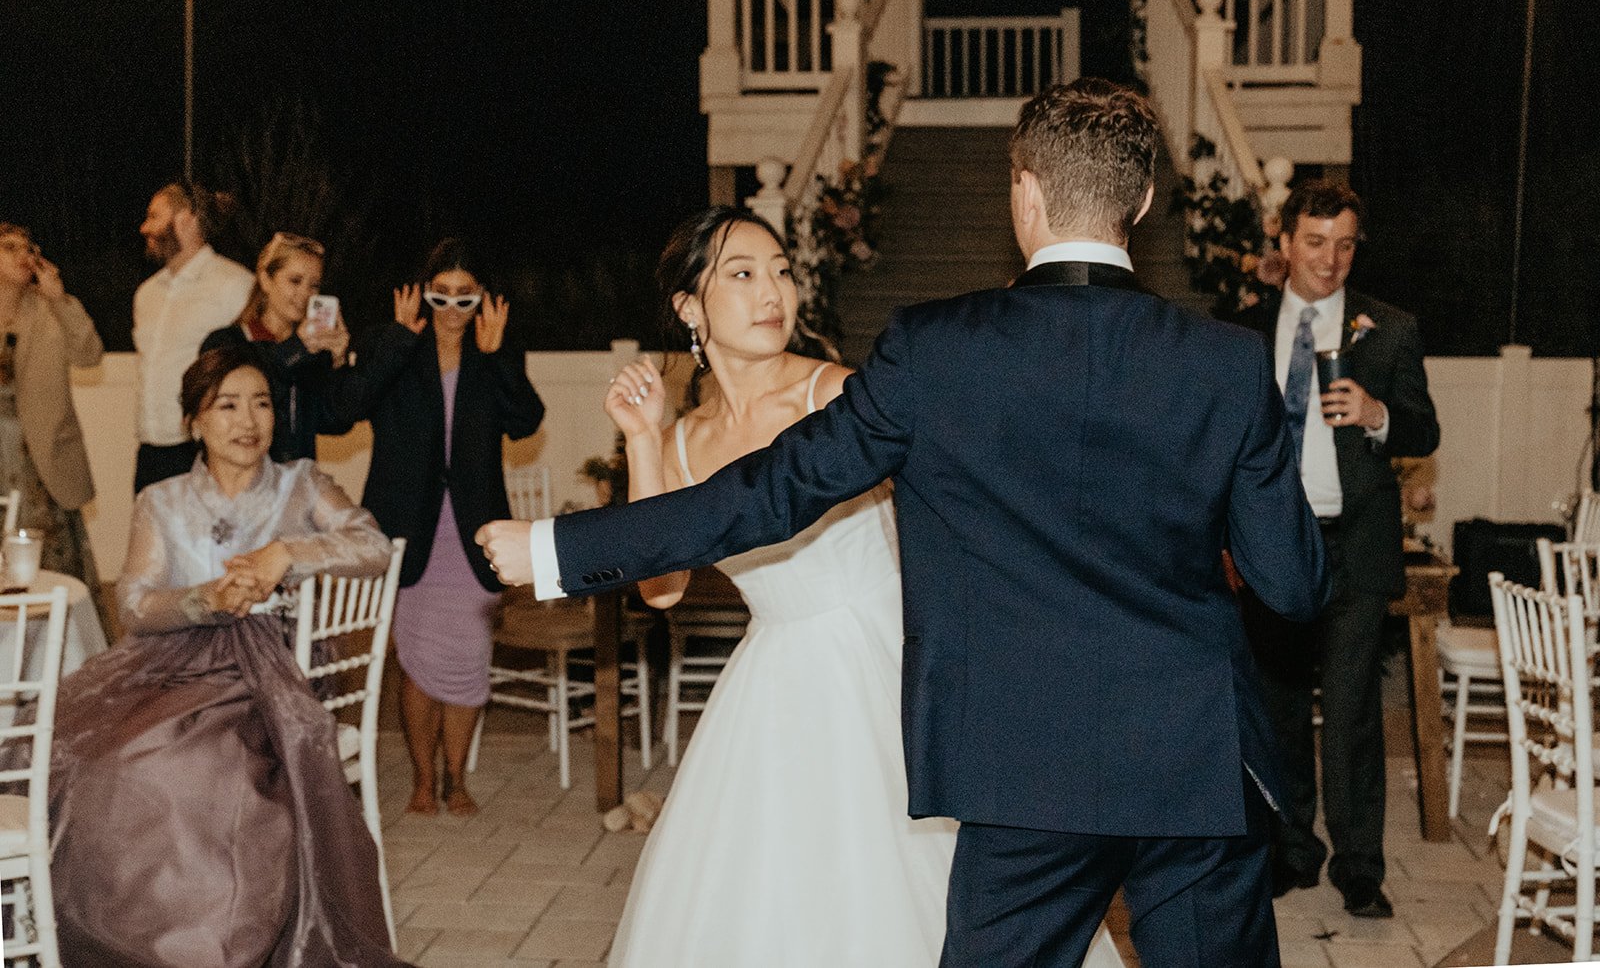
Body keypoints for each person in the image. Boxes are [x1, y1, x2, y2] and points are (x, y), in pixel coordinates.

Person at [481, 78, 1327, 967]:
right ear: (1145, 200)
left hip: (1020, 768)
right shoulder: (1228, 363)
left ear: (1024, 192)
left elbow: (766, 492)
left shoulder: (934, 350)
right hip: (1191, 759)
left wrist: (558, 548)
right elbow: (1295, 584)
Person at [601, 207, 1125, 967]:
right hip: (774, 683)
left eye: (781, 269)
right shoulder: (684, 441)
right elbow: (661, 589)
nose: (772, 290)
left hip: (892, 661)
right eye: (742, 274)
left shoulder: (838, 395)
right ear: (689, 307)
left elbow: (959, 502)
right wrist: (644, 438)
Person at [46, 346, 407, 967]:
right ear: (196, 422)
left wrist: (288, 554)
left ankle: (210, 941)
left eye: (261, 403)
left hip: (274, 673)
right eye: (228, 405)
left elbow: (373, 544)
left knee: (187, 764)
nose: (249, 420)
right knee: (93, 756)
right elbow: (134, 604)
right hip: (172, 667)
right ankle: (127, 934)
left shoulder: (301, 484)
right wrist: (204, 596)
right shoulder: (160, 500)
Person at [1234, 180, 1440, 919]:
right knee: (1279, 705)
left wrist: (1380, 413)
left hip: (1354, 543)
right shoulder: (1244, 331)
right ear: (1285, 241)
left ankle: (1360, 865)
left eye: (1346, 244)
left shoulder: (1388, 328)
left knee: (1351, 708)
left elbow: (1424, 430)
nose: (1331, 259)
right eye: (1316, 242)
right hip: (1271, 543)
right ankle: (1293, 848)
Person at [332, 238, 542, 817]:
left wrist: (497, 356)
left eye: (464, 297)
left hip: (474, 533)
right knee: (419, 661)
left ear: (482, 300)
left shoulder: (494, 349)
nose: (452, 310)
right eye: (440, 296)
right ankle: (423, 780)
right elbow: (345, 407)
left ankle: (458, 779)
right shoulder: (392, 344)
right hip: (410, 529)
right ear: (422, 294)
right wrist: (398, 344)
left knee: (468, 656)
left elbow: (527, 422)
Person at [0, 223, 104, 602]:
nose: (23, 255)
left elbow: (90, 355)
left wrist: (60, 300)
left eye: (28, 248)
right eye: (9, 247)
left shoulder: (50, 311)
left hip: (45, 459)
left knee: (55, 571)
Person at [132, 181, 254, 491]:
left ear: (186, 219)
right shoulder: (146, 294)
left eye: (154, 216)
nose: (144, 227)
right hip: (149, 449)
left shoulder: (235, 285)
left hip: (203, 451)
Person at [201, 230, 353, 461]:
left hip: (296, 486)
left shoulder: (312, 352)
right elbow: (252, 386)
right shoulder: (226, 342)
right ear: (265, 279)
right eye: (295, 280)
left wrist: (339, 362)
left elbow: (336, 423)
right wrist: (299, 348)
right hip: (239, 483)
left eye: (314, 285)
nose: (305, 293)